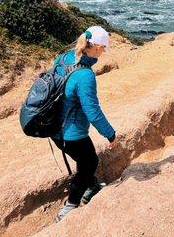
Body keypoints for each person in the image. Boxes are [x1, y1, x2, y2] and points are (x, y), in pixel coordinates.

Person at [52, 26, 116, 222]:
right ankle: (70, 206)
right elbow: (92, 111)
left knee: (84, 160)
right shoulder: (86, 75)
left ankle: (91, 186)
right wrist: (110, 134)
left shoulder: (63, 57)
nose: (103, 52)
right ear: (96, 46)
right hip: (72, 134)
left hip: (53, 127)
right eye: (103, 48)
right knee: (89, 162)